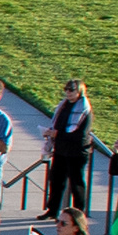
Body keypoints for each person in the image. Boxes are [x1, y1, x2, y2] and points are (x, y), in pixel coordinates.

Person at [43, 80, 95, 218]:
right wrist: (51, 132)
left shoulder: (84, 110)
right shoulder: (64, 106)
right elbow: (58, 125)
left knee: (76, 183)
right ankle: (52, 211)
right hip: (61, 150)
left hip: (77, 152)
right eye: (66, 89)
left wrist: (58, 134)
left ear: (80, 92)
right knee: (56, 181)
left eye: (71, 90)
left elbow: (81, 135)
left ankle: (78, 213)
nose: (68, 92)